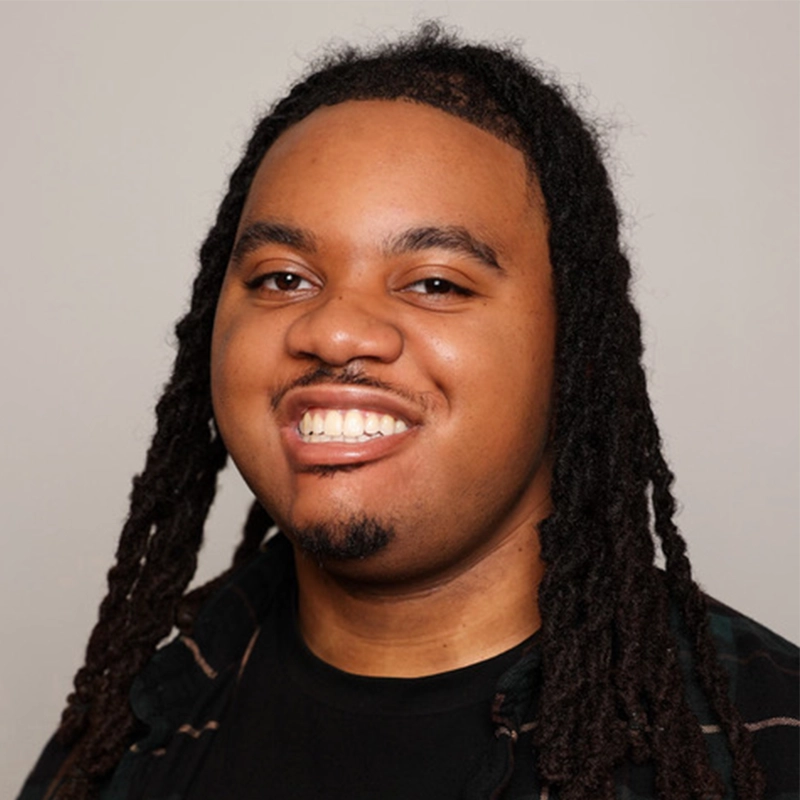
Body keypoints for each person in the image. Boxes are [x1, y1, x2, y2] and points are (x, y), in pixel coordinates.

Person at [19, 24, 798, 800]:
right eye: (283, 278)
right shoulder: (123, 733)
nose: (331, 330)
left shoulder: (760, 743)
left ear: (575, 350)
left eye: (435, 283)